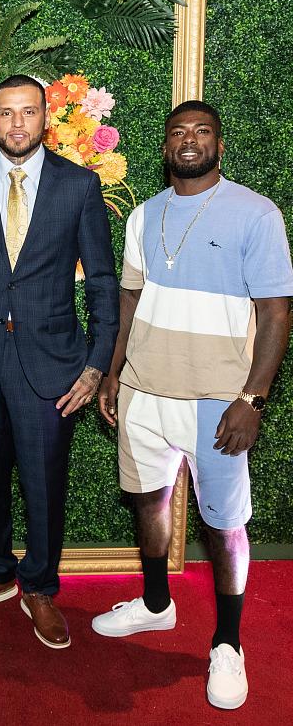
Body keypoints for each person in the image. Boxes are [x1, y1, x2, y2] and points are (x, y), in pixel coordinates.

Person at [92, 100, 293, 710]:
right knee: (150, 501)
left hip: (217, 399)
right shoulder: (144, 215)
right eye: (177, 131)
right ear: (164, 146)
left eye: (202, 130)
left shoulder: (256, 213)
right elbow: (129, 300)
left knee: (223, 521)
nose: (189, 140)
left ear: (219, 144)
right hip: (145, 391)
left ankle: (228, 644)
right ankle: (157, 605)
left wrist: (252, 397)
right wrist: (113, 371)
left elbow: (276, 311)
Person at [0, 75, 119, 649]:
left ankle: (39, 586)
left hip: (55, 367)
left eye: (28, 112)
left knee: (45, 486)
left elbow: (100, 283)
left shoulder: (79, 187)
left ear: (45, 117)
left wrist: (96, 366)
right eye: (6, 113)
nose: (17, 124)